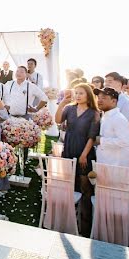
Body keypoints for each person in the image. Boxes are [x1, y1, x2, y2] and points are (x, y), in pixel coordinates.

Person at [56, 84, 100, 223]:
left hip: (84, 152)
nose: (78, 95)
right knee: (69, 184)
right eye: (76, 93)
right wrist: (62, 103)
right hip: (69, 148)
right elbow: (57, 120)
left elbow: (92, 137)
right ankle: (69, 218)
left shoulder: (94, 113)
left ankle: (85, 221)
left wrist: (84, 155)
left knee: (85, 186)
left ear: (88, 95)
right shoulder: (69, 108)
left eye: (81, 93)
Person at [95, 88, 129, 167]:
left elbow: (125, 141)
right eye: (98, 98)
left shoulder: (118, 118)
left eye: (104, 98)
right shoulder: (105, 116)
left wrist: (101, 141)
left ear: (114, 101)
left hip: (115, 165)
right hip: (104, 162)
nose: (99, 100)